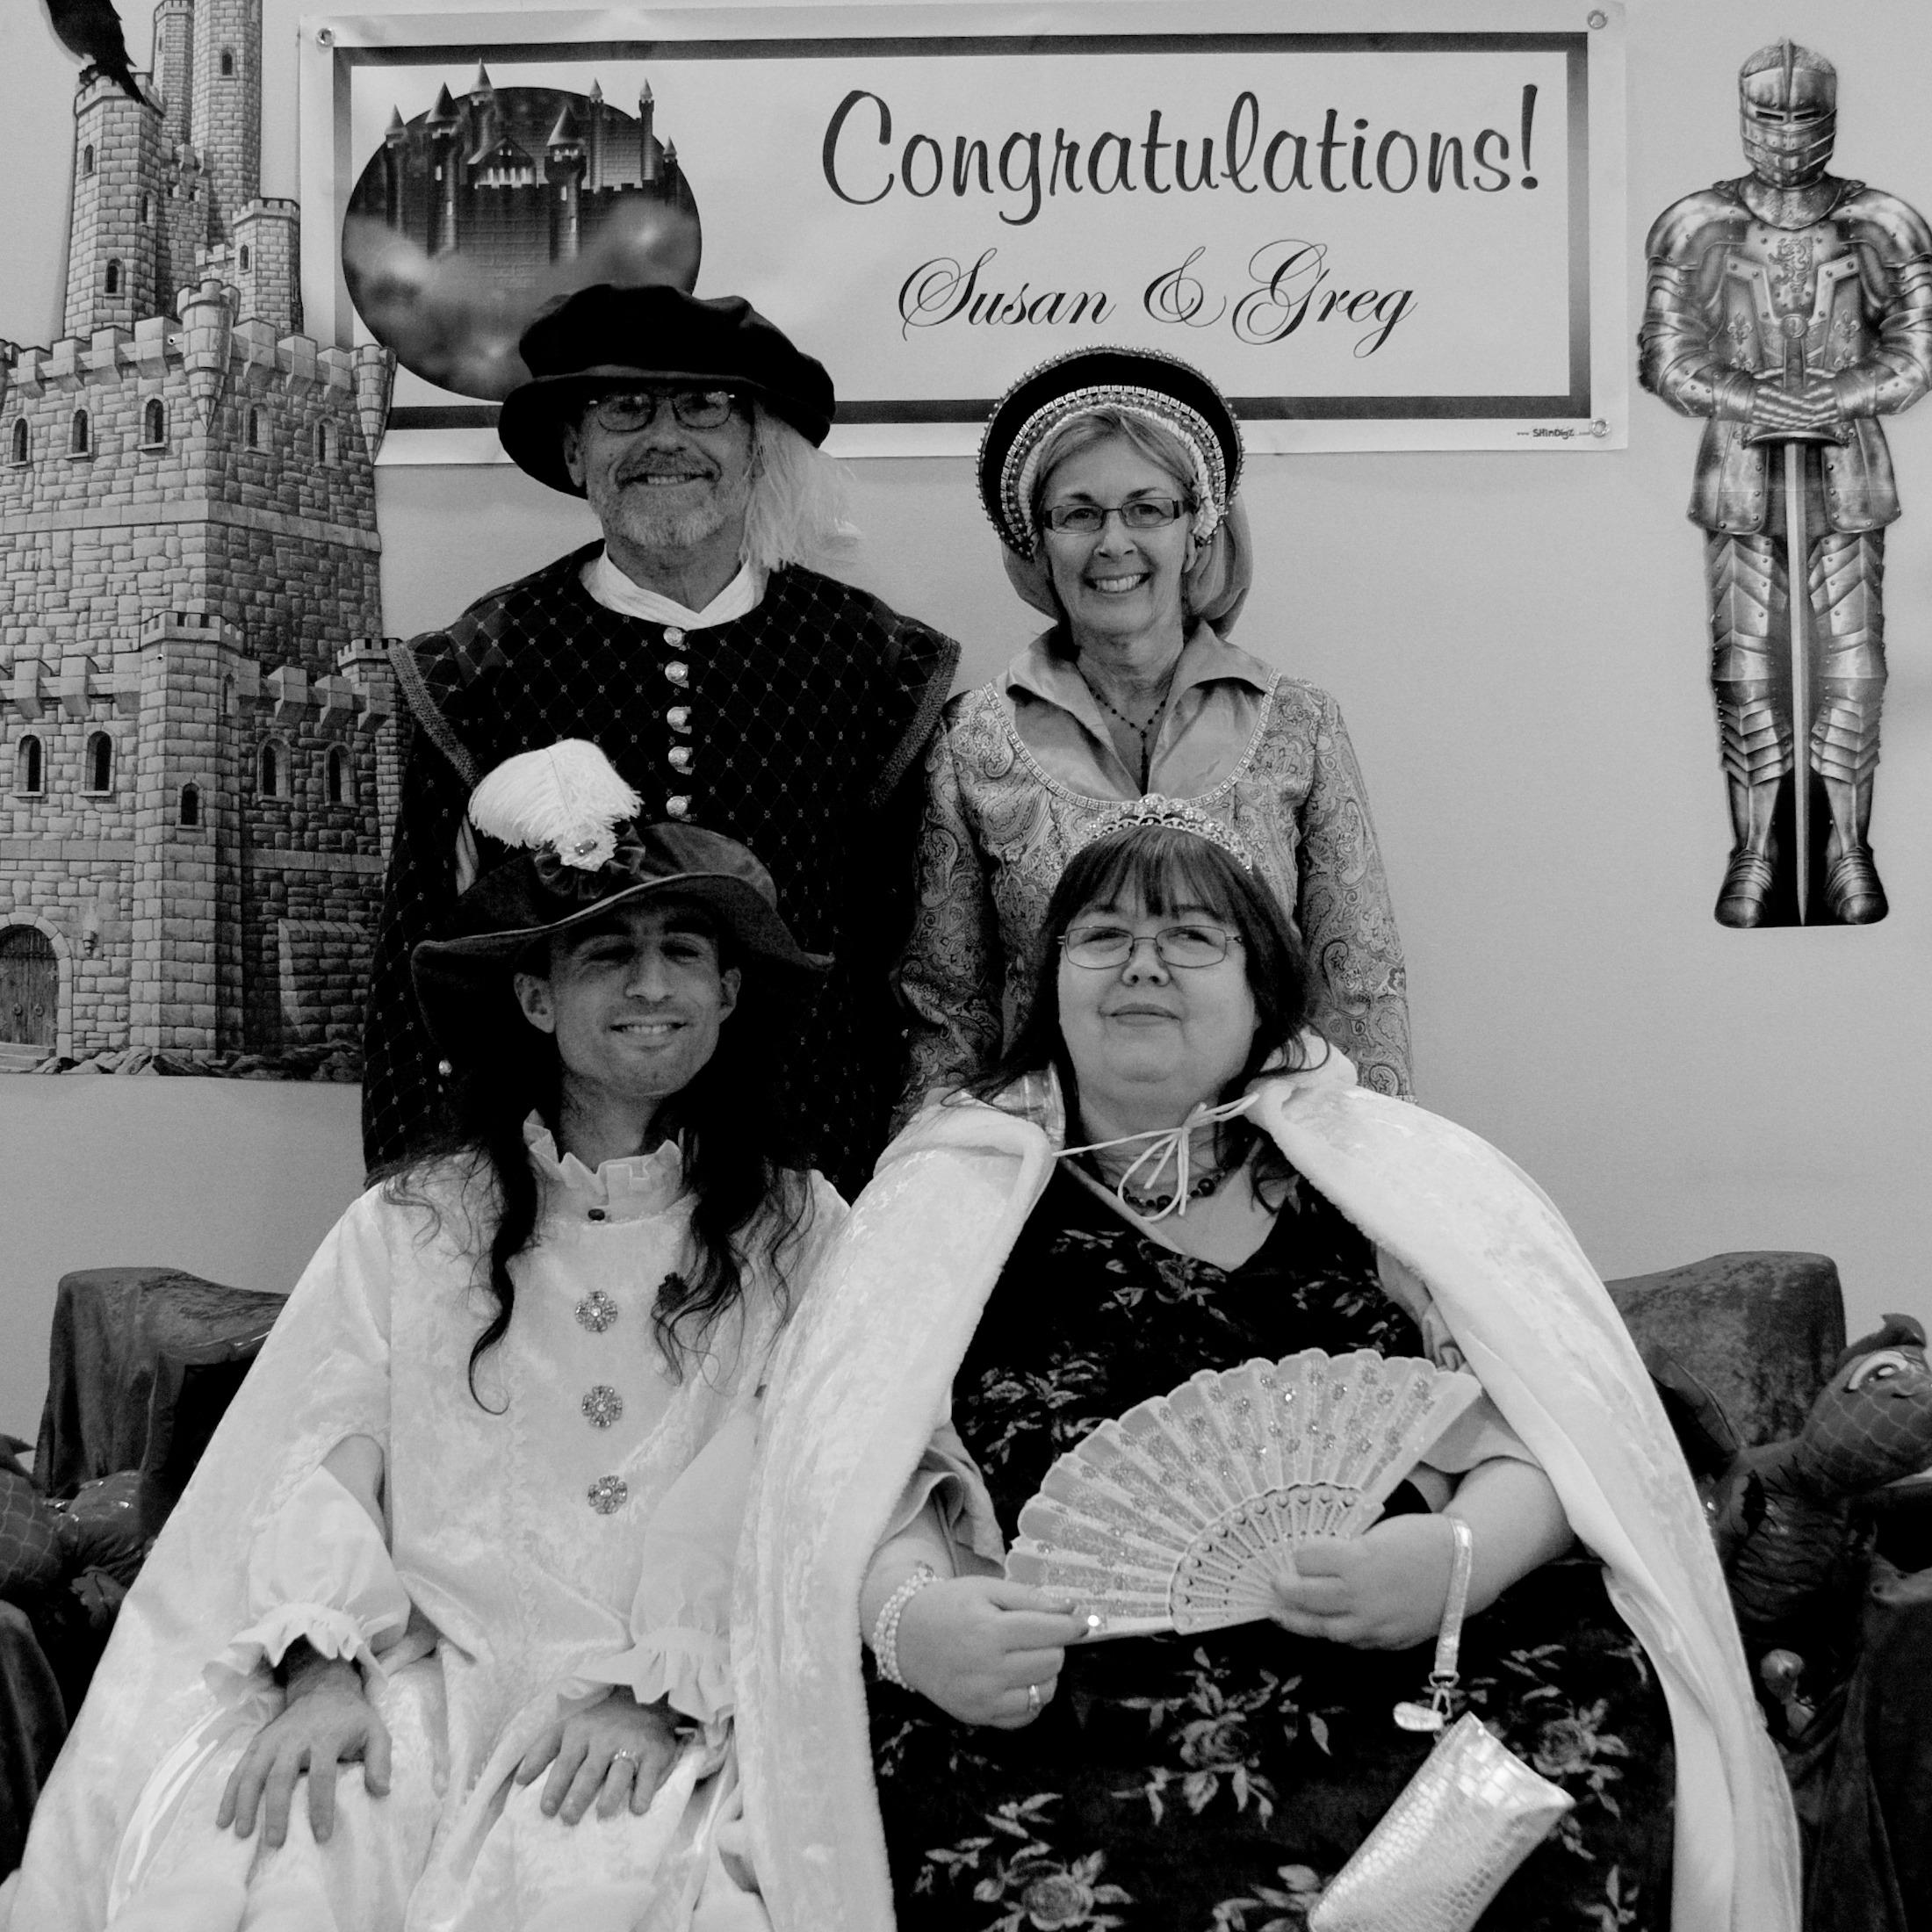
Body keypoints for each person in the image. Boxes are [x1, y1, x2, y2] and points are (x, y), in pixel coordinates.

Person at [734, 811, 1799, 1931]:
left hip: (1422, 1656)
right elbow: (858, 1480)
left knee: (1581, 1769)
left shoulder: (1387, 1186)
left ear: (1263, 993)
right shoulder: (945, 1204)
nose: (1142, 964)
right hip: (1077, 1700)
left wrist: (1458, 1558)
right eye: (1102, 935)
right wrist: (913, 1624)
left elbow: (1557, 1438)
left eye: (1191, 936)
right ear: (1049, 985)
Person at [8, 742, 843, 1932]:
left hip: (677, 1697)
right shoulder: (414, 1224)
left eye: (683, 954)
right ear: (537, 998)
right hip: (431, 1669)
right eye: (608, 954)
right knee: (286, 1843)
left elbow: (806, 1470)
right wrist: (321, 1669)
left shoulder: (801, 1228)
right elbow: (314, 1455)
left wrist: (665, 1685)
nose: (651, 986)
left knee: (608, 1886)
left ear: (730, 992)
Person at [363, 285, 961, 1194]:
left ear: (756, 447)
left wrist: (903, 1199)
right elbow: (419, 977)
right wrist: (421, 1207)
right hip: (558, 1184)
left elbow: (919, 967)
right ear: (576, 449)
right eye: (624, 409)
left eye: (705, 406)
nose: (665, 438)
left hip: (817, 1167)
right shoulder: (477, 667)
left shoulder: (876, 664)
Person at [898, 345, 1410, 1109]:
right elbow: (948, 1009)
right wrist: (941, 1164)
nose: (1114, 543)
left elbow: (1359, 991)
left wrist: (1367, 1165)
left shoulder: (1299, 725)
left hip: (1264, 1152)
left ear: (1197, 529)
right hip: (1048, 1153)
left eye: (1147, 509)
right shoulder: (973, 738)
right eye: (1079, 514)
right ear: (1037, 540)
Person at [1639, 38, 1932, 926]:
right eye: (1771, 116)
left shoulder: (1882, 221)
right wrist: (1745, 395)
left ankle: (1847, 851)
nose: (1788, 133)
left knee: (1855, 667)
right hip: (1739, 468)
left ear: (1832, 118)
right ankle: (1758, 851)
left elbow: (1917, 349)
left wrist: (1840, 394)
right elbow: (1665, 355)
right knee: (1744, 668)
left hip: (1848, 465)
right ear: (1744, 117)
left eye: (1805, 116)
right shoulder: (1697, 223)